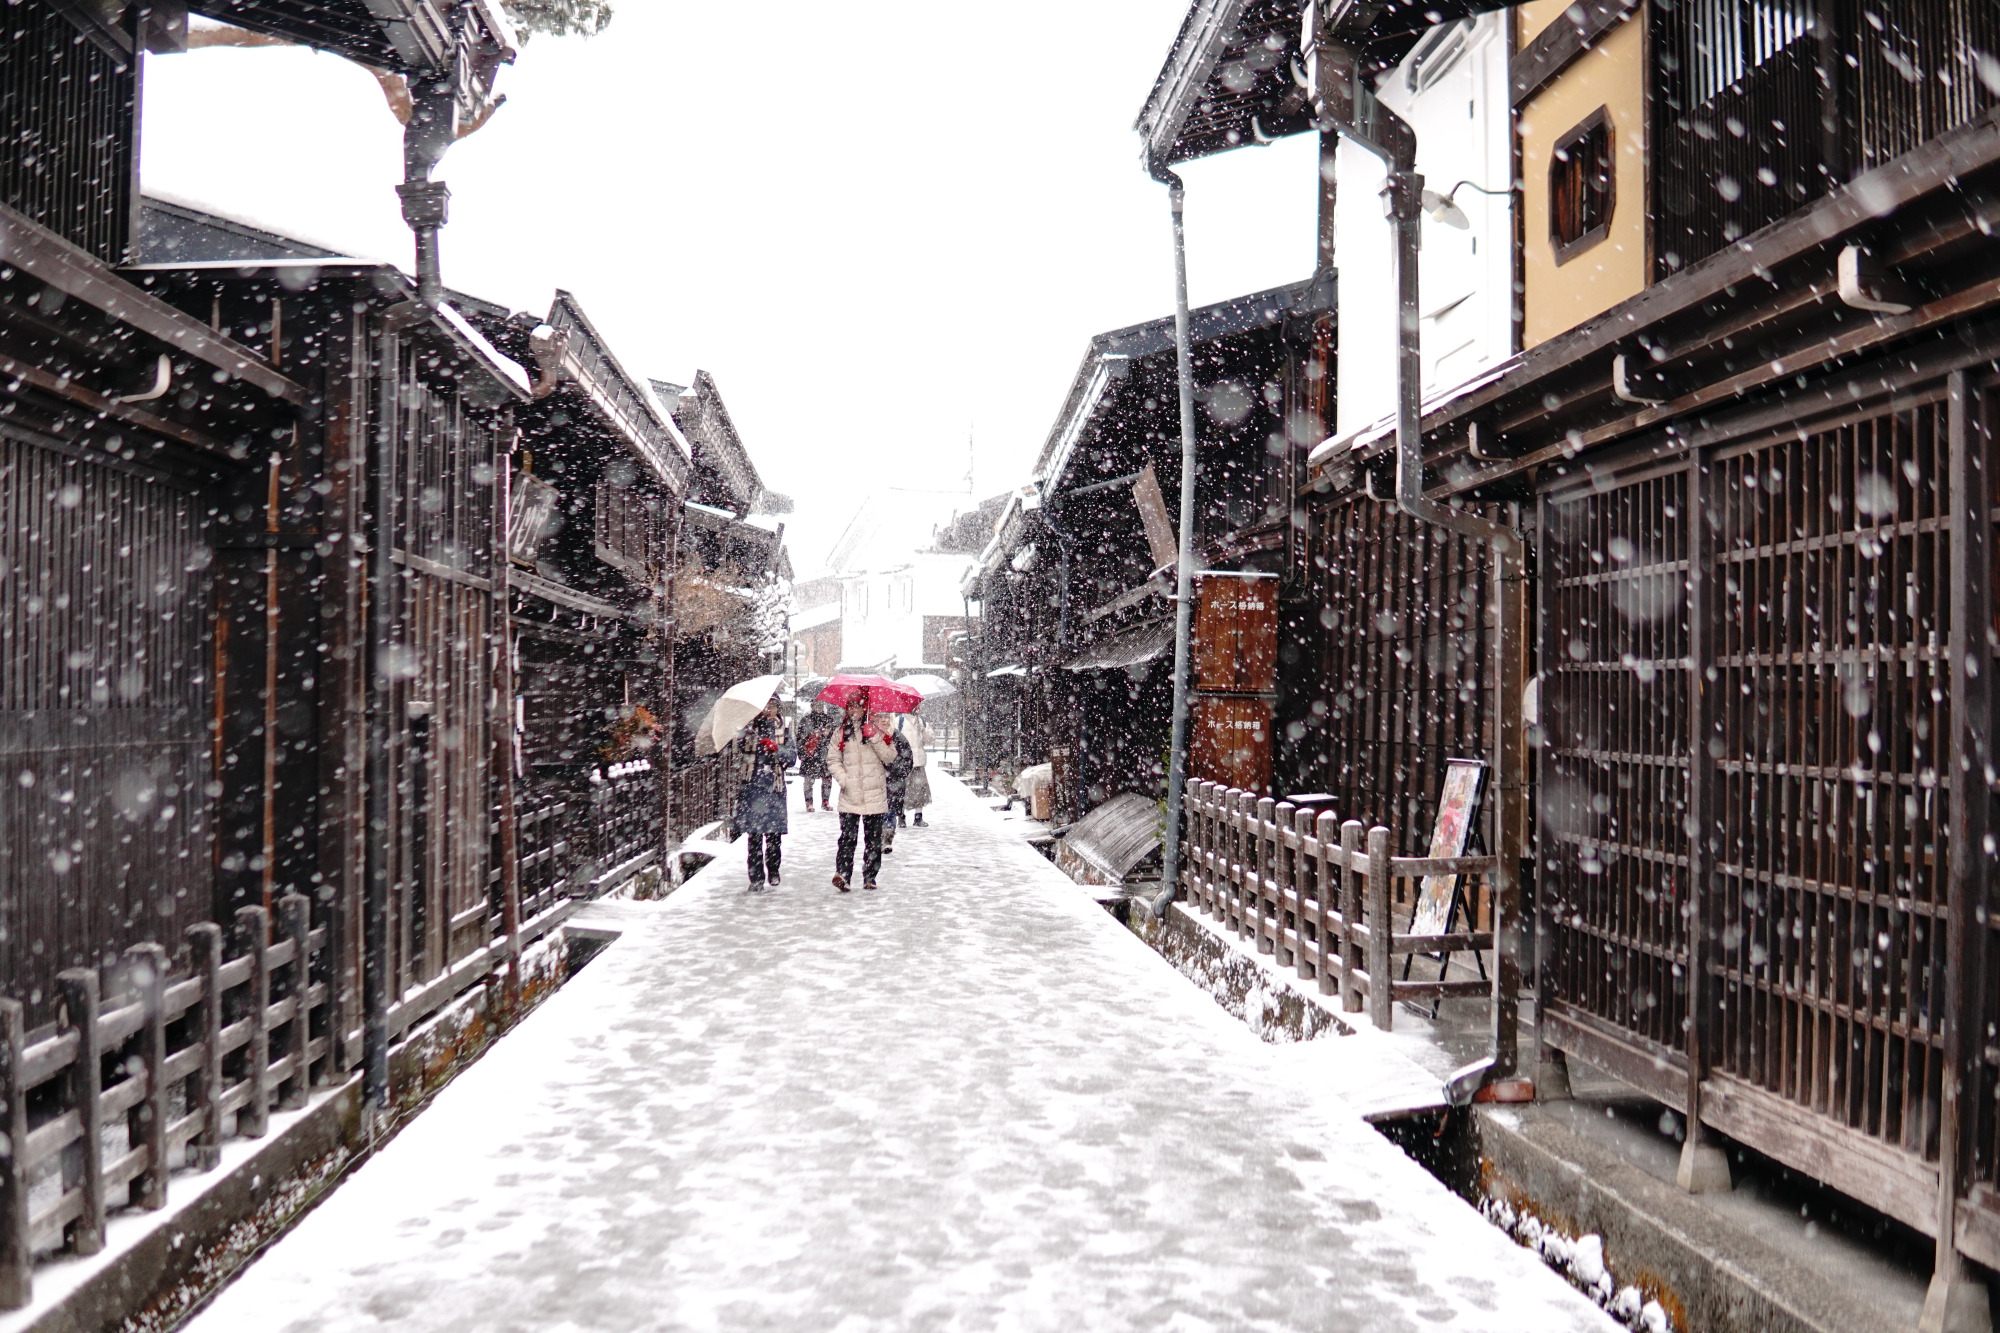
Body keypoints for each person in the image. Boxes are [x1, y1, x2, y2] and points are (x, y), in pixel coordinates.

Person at [827, 693, 896, 891]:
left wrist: (874, 737)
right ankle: (843, 875)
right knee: (847, 838)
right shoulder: (841, 732)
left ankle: (870, 877)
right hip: (850, 794)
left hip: (875, 794)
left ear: (864, 708)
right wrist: (844, 780)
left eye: (857, 706)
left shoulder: (878, 730)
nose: (853, 710)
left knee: (873, 840)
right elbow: (833, 760)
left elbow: (889, 756)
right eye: (850, 706)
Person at [732, 699, 794, 891]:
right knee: (754, 836)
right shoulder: (748, 728)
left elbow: (792, 758)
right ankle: (756, 878)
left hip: (774, 788)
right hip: (753, 788)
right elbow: (736, 750)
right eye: (766, 706)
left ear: (778, 709)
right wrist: (746, 736)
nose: (769, 710)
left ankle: (773, 869)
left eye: (773, 706)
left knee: (774, 836)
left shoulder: (783, 730)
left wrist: (777, 749)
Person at [880, 711, 913, 854]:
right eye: (880, 717)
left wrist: (894, 769)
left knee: (890, 812)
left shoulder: (898, 737)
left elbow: (907, 760)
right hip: (874, 783)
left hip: (893, 783)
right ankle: (877, 838)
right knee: (877, 814)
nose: (883, 720)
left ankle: (887, 839)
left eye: (887, 717)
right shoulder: (870, 737)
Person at [896, 711, 933, 826]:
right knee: (902, 790)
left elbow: (929, 740)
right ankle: (901, 817)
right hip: (903, 762)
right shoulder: (899, 720)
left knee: (920, 789)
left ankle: (918, 817)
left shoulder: (921, 721)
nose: (918, 708)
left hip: (918, 761)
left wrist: (924, 730)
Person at [798, 702, 834, 811]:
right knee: (809, 780)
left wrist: (827, 736)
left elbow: (834, 738)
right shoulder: (806, 720)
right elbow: (800, 738)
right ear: (812, 706)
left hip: (825, 753)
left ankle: (825, 801)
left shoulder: (828, 720)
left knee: (827, 779)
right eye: (816, 705)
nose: (818, 708)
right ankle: (809, 803)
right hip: (810, 754)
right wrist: (802, 753)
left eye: (820, 705)